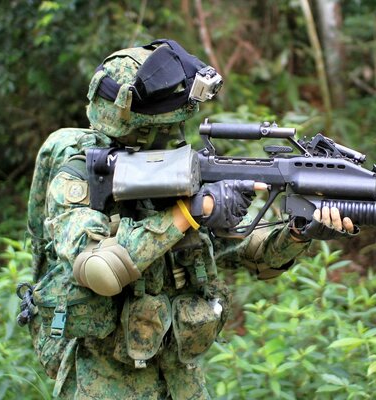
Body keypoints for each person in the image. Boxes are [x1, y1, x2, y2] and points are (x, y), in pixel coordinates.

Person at [21, 39, 357, 399]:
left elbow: (247, 253)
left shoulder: (177, 175)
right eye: (165, 125)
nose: (175, 135)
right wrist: (189, 214)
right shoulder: (78, 175)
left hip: (180, 381)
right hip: (104, 381)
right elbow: (100, 269)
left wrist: (297, 232)